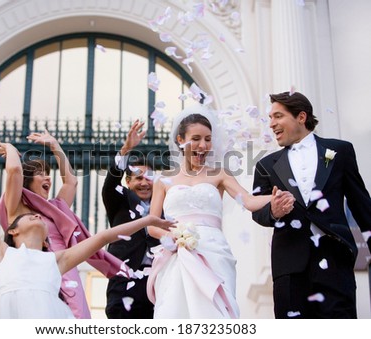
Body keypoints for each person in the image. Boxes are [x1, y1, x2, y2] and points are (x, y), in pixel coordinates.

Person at [0, 153, 176, 319]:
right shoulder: (0, 253)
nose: (38, 217)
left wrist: (149, 220)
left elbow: (104, 236)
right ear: (12, 229)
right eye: (31, 217)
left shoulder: (57, 259)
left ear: (47, 241)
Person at [145, 104, 294, 318]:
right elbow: (151, 225)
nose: (203, 145)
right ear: (180, 141)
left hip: (213, 251)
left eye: (207, 139)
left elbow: (249, 201)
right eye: (196, 138)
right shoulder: (163, 180)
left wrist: (275, 197)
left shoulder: (220, 174)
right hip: (177, 254)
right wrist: (172, 236)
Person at [252, 91, 371, 318]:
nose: (271, 124)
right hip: (289, 268)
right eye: (269, 118)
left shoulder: (340, 151)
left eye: (278, 116)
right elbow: (258, 212)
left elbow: (362, 205)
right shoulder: (265, 165)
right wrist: (273, 212)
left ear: (301, 117)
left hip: (335, 263)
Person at [0, 130, 125, 319]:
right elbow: (14, 171)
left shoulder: (55, 207)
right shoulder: (17, 208)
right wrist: (11, 149)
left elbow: (71, 182)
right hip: (36, 273)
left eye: (48, 174)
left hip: (65, 268)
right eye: (40, 174)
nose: (48, 178)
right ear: (27, 181)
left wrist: (55, 146)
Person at [102, 120, 161, 319]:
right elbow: (110, 184)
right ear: (128, 181)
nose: (144, 182)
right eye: (138, 178)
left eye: (149, 177)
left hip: (159, 284)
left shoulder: (165, 205)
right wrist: (126, 149)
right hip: (124, 283)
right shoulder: (119, 200)